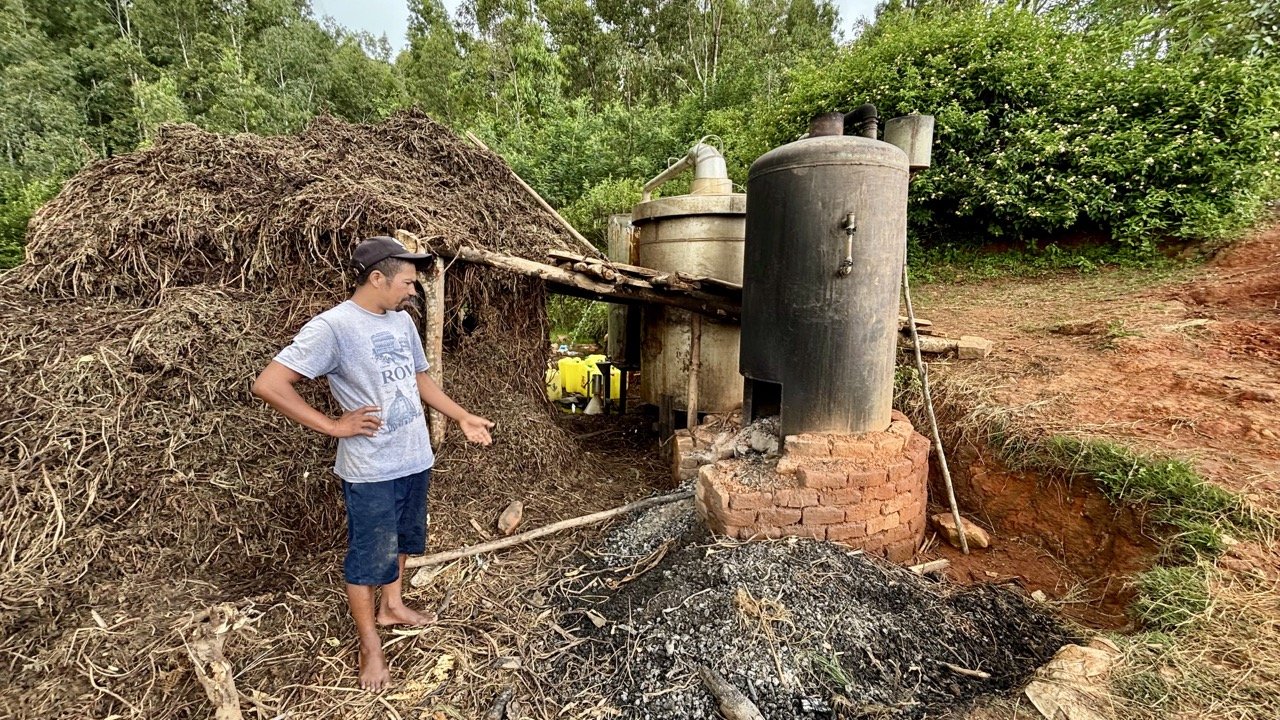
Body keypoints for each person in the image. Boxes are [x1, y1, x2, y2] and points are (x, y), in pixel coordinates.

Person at [252, 235, 493, 692]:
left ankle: (393, 606)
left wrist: (460, 416)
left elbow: (419, 378)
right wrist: (331, 425)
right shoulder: (333, 327)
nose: (412, 291)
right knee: (369, 557)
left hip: (413, 457)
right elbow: (270, 383)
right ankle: (369, 644)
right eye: (407, 282)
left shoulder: (400, 322)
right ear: (376, 278)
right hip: (371, 468)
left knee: (404, 538)